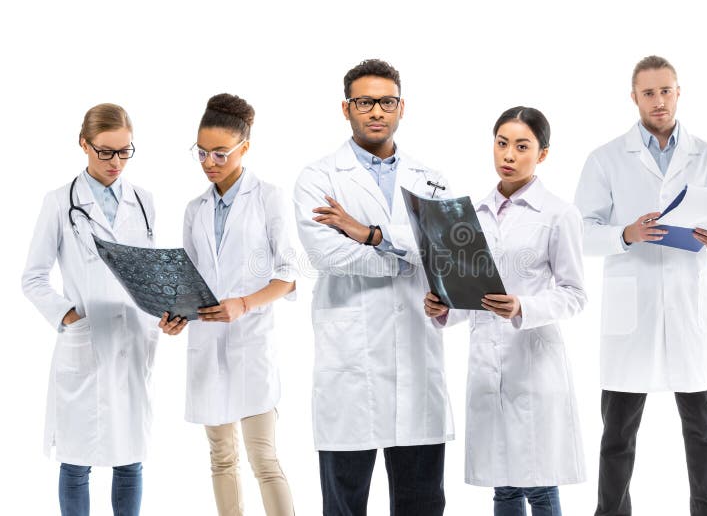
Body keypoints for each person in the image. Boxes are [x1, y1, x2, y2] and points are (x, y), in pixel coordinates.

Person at [574, 55, 707, 516]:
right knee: (618, 436)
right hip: (634, 311)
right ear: (634, 98)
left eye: (666, 90)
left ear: (678, 92)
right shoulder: (606, 158)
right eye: (648, 92)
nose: (659, 100)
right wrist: (624, 235)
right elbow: (579, 233)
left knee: (703, 432)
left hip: (690, 310)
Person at [293, 59, 453, 516]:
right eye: (365, 102)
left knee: (422, 502)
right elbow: (329, 256)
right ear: (347, 108)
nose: (376, 111)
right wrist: (408, 255)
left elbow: (450, 252)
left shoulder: (432, 180)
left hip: (417, 361)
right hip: (351, 364)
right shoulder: (319, 178)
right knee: (344, 504)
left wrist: (369, 234)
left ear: (402, 106)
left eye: (386, 101)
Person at [424, 106, 587, 516]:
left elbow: (574, 294)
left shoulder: (558, 214)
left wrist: (522, 307)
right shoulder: (471, 214)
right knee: (505, 489)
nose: (508, 155)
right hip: (486, 364)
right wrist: (444, 306)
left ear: (542, 154)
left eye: (521, 146)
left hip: (533, 363)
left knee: (540, 486)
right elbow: (472, 296)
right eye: (501, 144)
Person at [160, 93, 298, 516]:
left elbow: (289, 275)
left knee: (264, 460)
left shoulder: (268, 197)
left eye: (220, 153)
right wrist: (176, 314)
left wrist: (244, 304)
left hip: (251, 342)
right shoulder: (194, 208)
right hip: (206, 342)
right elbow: (189, 278)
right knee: (221, 458)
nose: (209, 162)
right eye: (201, 152)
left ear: (244, 148)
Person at [21, 103, 158, 516]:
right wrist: (69, 318)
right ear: (84, 144)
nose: (116, 162)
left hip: (133, 340)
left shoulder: (145, 201)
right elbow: (32, 277)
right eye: (105, 152)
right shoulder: (59, 202)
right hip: (86, 342)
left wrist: (166, 311)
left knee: (130, 459)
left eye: (124, 151)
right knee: (77, 461)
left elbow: (148, 273)